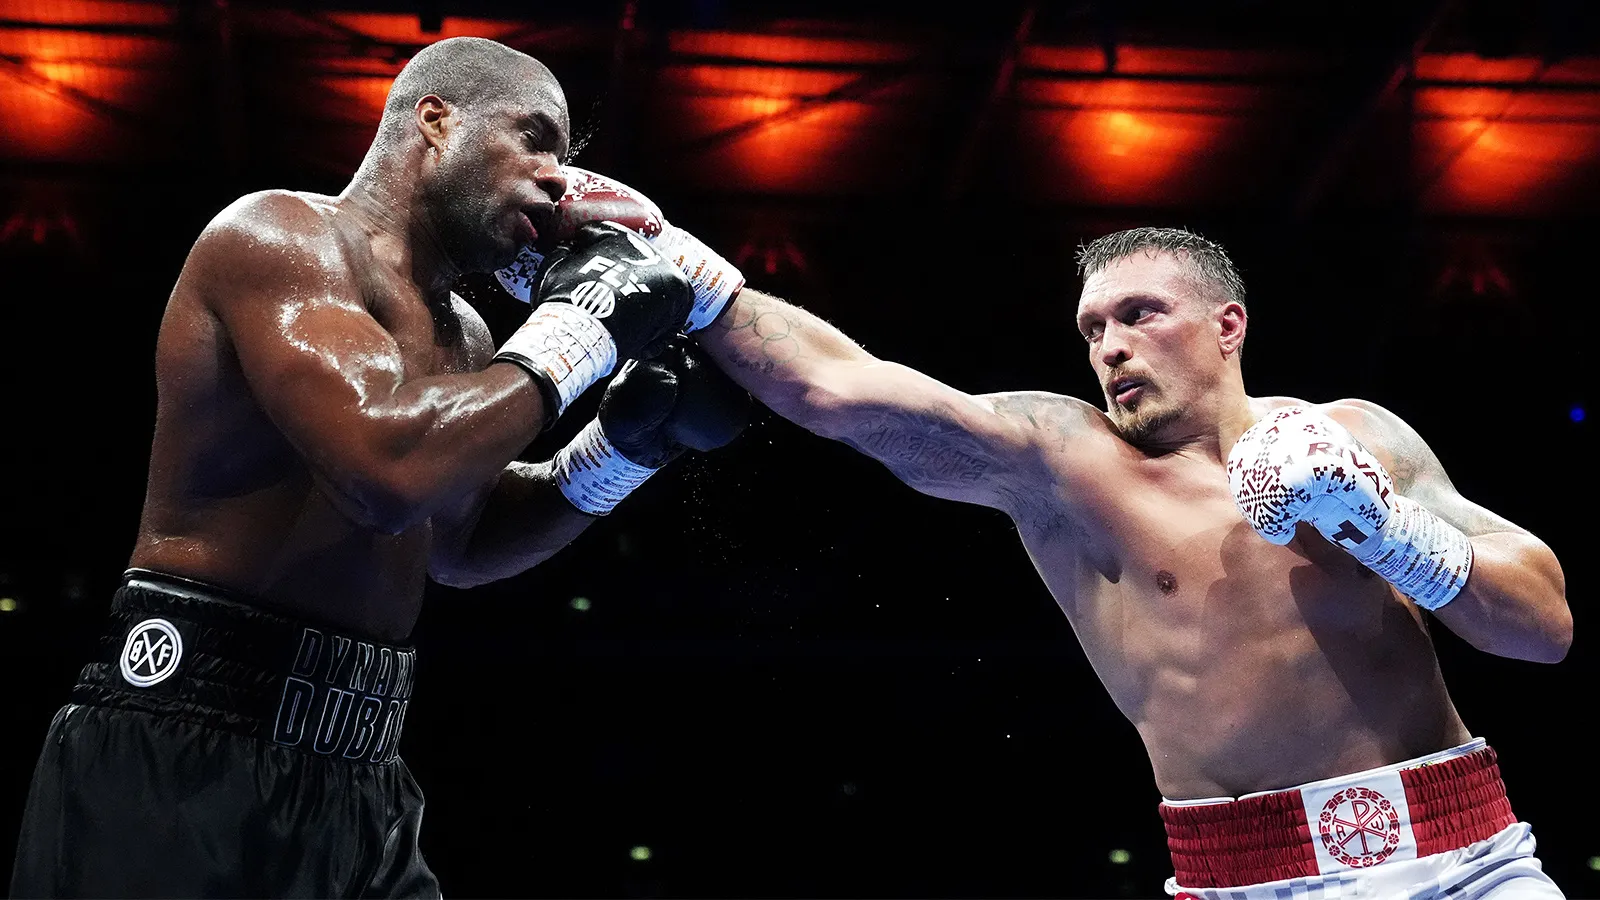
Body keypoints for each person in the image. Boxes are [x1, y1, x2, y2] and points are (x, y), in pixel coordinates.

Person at [496, 179, 1572, 898]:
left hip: (1464, 860)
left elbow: (1544, 630)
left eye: (1139, 314)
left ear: (1226, 325)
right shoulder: (1066, 463)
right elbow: (844, 390)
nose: (1109, 347)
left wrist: (1385, 528)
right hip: (1240, 879)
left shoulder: (1357, 437)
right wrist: (685, 267)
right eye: (1092, 329)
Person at [10, 38, 749, 899]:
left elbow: (463, 539)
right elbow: (385, 472)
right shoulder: (277, 236)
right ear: (435, 120)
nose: (560, 180)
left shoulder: (466, 335)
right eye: (535, 139)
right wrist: (584, 326)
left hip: (365, 776)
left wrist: (623, 449)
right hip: (183, 750)